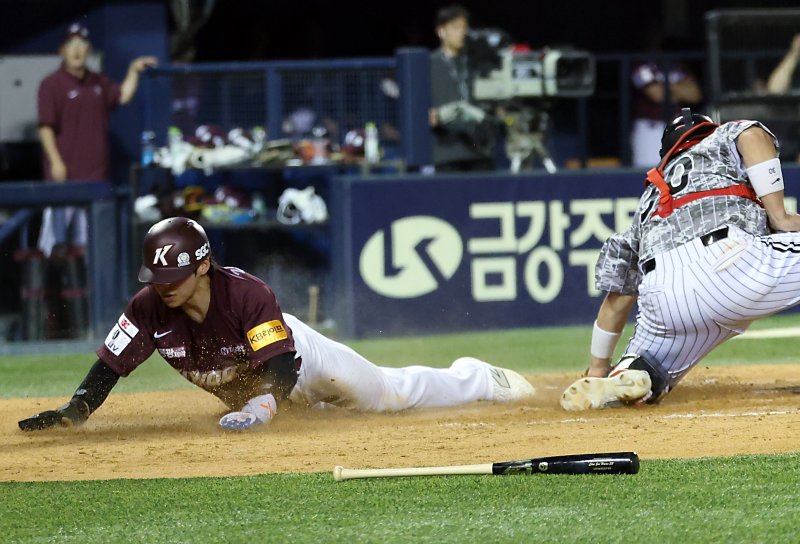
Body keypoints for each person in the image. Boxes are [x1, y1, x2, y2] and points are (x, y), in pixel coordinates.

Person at [18, 217, 535, 432]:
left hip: (297, 358)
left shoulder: (246, 293)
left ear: (202, 265)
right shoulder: (149, 307)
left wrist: (262, 406)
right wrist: (75, 411)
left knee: (385, 396)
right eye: (156, 276)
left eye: (173, 274)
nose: (163, 285)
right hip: (259, 389)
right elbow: (110, 364)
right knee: (331, 422)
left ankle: (475, 377)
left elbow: (283, 362)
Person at [560, 108, 800, 411]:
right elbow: (750, 133)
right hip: (731, 261)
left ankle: (624, 374)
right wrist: (779, 215)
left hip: (663, 292)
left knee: (645, 372)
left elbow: (618, 298)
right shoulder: (720, 138)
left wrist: (597, 367)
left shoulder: (648, 205)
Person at [34, 22, 157, 338]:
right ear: (62, 49)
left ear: (88, 50)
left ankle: (93, 325)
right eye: (71, 43)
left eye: (82, 44)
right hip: (63, 189)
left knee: (92, 260)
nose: (77, 49)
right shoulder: (52, 84)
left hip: (96, 188)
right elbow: (45, 128)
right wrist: (57, 161)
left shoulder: (98, 83)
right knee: (54, 254)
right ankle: (48, 325)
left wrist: (133, 69)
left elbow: (123, 96)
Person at [428, 5, 495, 172]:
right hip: (446, 153)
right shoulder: (428, 64)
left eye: (464, 28)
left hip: (479, 151)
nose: (462, 33)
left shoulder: (476, 62)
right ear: (441, 31)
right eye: (455, 28)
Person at [630, 29, 703, 168]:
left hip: (677, 126)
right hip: (650, 128)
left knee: (681, 172)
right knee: (650, 173)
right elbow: (657, 95)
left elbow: (695, 94)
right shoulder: (641, 64)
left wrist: (665, 86)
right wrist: (678, 88)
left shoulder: (675, 65)